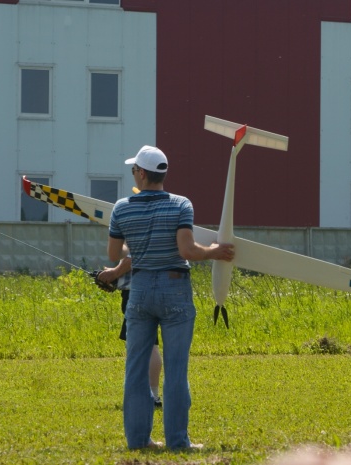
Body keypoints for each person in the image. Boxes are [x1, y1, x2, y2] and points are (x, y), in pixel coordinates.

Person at [107, 145, 234, 450]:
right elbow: (187, 251)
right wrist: (216, 251)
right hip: (175, 289)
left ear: (140, 173)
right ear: (162, 174)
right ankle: (178, 442)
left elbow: (115, 254)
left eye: (133, 169)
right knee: (176, 369)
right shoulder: (180, 205)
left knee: (135, 369)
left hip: (139, 291)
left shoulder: (122, 208)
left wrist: (137, 249)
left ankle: (138, 440)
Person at [97, 257, 163, 408]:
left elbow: (133, 257)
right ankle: (153, 395)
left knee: (144, 347)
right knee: (151, 344)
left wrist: (113, 273)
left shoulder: (137, 233)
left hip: (137, 294)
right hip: (155, 290)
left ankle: (148, 396)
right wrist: (117, 276)